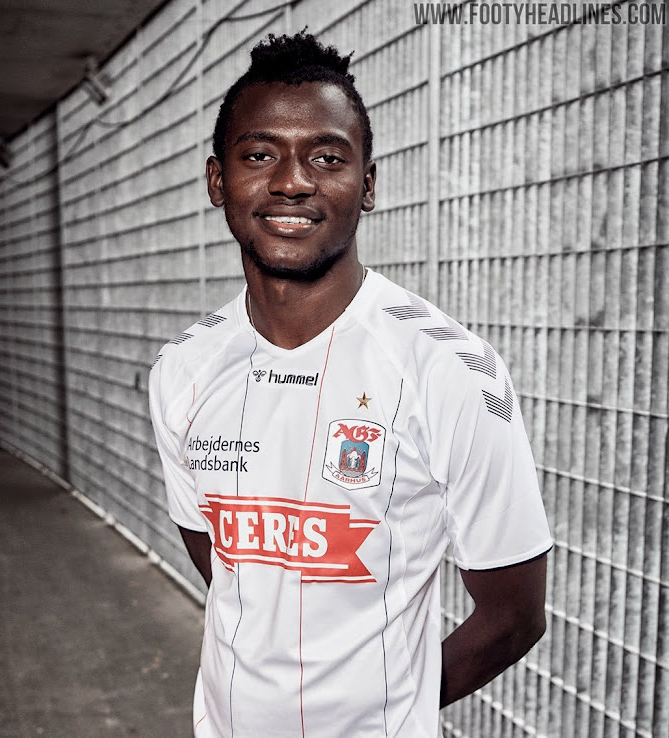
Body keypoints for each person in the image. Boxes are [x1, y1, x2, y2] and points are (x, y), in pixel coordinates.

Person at [149, 30, 552, 738]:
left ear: (366, 186)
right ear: (218, 181)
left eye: (327, 157)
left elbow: (513, 618)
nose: (292, 181)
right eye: (259, 154)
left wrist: (388, 710)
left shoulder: (449, 369)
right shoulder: (183, 370)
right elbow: (231, 574)